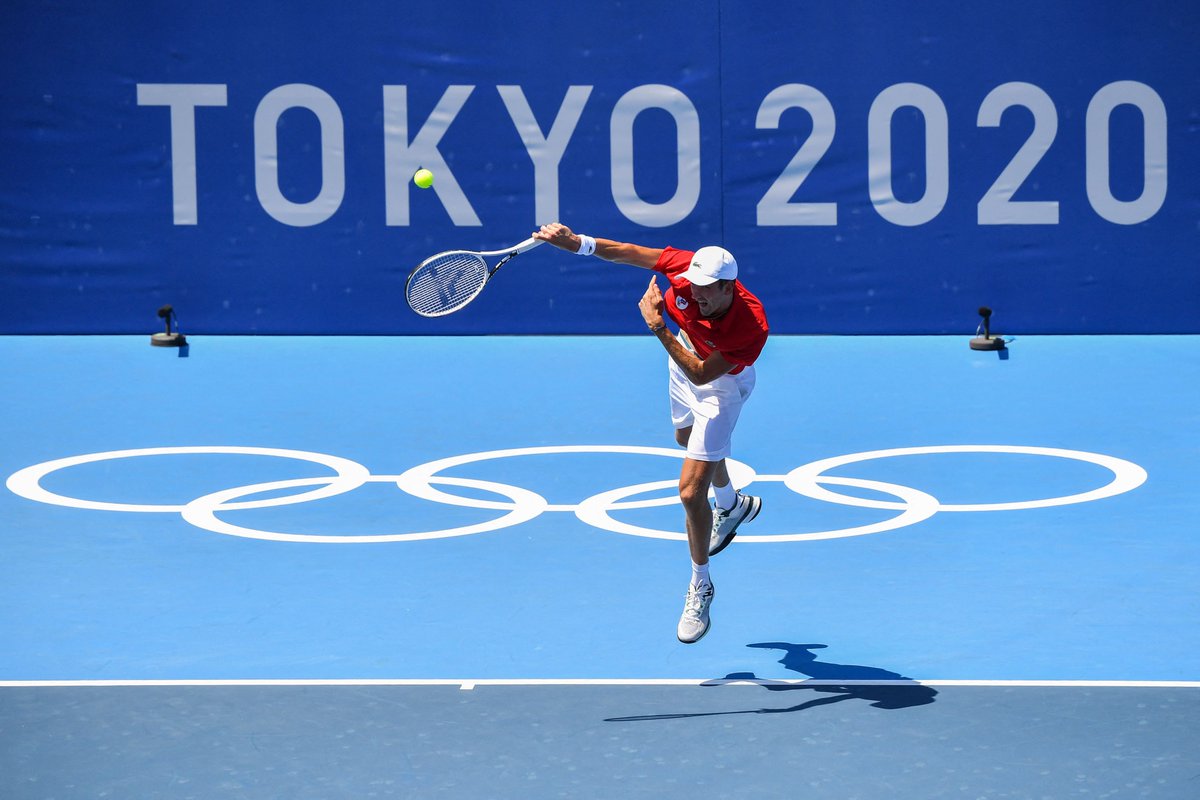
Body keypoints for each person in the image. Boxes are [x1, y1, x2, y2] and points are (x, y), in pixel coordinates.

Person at [533, 222, 769, 643]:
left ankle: (700, 586)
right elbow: (626, 250)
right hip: (684, 357)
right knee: (686, 441)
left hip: (719, 384)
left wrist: (657, 325)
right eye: (694, 283)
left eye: (707, 288)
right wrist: (577, 245)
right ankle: (732, 505)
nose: (695, 292)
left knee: (689, 492)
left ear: (729, 287)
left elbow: (701, 375)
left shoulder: (750, 327)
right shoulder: (684, 272)